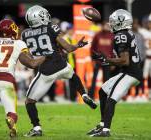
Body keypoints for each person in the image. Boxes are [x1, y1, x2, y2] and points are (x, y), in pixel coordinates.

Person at [21, 5, 97, 137]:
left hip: (45, 70)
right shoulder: (51, 27)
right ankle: (83, 94)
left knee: (29, 101)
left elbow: (27, 54)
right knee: (73, 75)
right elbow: (68, 48)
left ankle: (37, 127)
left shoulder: (25, 34)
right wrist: (77, 45)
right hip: (61, 64)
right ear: (39, 17)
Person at [88, 9, 142, 137]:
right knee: (102, 91)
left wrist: (106, 59)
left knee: (111, 98)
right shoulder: (126, 33)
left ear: (121, 22)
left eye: (113, 21)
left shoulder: (121, 35)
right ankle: (102, 124)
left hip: (130, 73)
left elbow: (124, 61)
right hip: (130, 71)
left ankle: (105, 130)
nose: (111, 24)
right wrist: (108, 61)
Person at [89, 21, 114, 99]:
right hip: (97, 60)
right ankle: (91, 96)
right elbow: (92, 48)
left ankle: (105, 96)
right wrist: (93, 59)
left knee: (106, 79)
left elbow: (114, 49)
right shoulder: (97, 35)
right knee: (94, 79)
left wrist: (113, 62)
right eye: (105, 25)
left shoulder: (112, 36)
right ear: (102, 26)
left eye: (108, 25)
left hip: (107, 60)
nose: (106, 26)